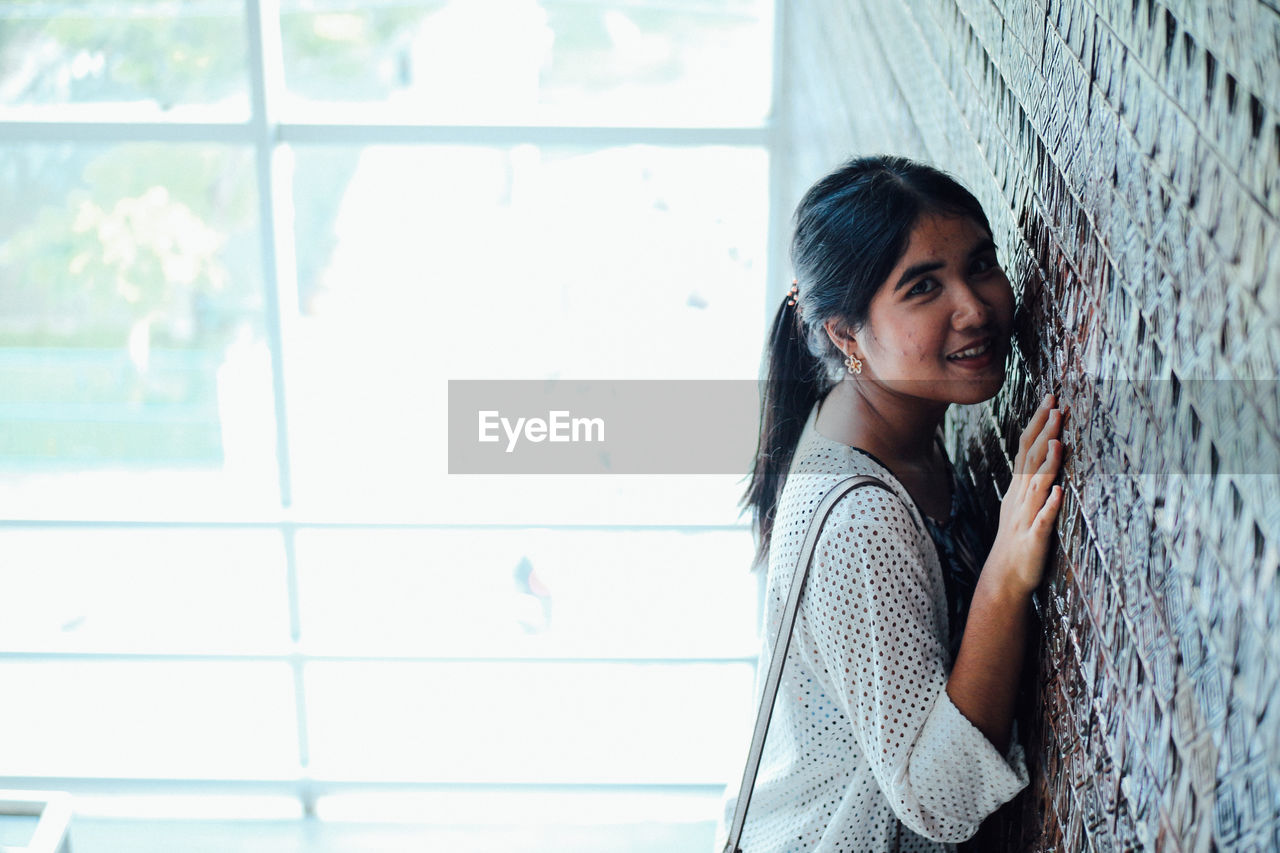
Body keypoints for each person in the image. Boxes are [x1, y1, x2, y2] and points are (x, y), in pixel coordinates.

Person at [719, 155, 1065, 851]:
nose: (973, 307)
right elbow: (942, 798)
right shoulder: (858, 519)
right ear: (847, 337)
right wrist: (1003, 578)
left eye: (981, 264)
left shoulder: (890, 422)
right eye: (924, 288)